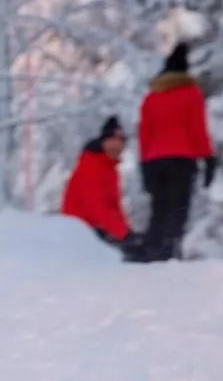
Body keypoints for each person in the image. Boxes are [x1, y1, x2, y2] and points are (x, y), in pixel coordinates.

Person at [137, 43, 215, 261]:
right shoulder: (191, 94)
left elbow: (144, 135)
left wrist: (144, 166)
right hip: (182, 159)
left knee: (159, 207)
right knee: (178, 207)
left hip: (154, 161)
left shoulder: (151, 98)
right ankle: (170, 250)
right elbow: (197, 130)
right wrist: (208, 158)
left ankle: (152, 250)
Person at [59, 115, 135, 250]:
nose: (116, 146)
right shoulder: (91, 165)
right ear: (103, 141)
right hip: (80, 230)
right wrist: (122, 234)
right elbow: (95, 205)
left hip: (98, 228)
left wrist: (127, 231)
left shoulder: (110, 168)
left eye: (120, 142)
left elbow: (114, 206)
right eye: (112, 141)